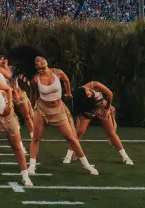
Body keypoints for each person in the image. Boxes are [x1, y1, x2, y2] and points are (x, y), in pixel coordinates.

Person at [9, 45, 99, 177]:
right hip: (42, 109)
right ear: (35, 66)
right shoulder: (35, 79)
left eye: (42, 59)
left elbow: (66, 80)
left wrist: (68, 94)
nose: (41, 61)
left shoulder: (58, 72)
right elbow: (33, 95)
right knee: (36, 138)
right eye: (38, 61)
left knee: (71, 138)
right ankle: (32, 167)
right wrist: (33, 109)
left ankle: (86, 165)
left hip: (58, 109)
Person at [66, 82, 134, 166]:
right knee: (79, 132)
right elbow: (81, 110)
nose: (89, 95)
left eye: (88, 94)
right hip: (88, 109)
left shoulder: (95, 85)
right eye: (87, 96)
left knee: (111, 133)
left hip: (102, 106)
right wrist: (90, 114)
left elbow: (110, 94)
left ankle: (125, 157)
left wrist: (108, 108)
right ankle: (68, 157)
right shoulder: (79, 96)